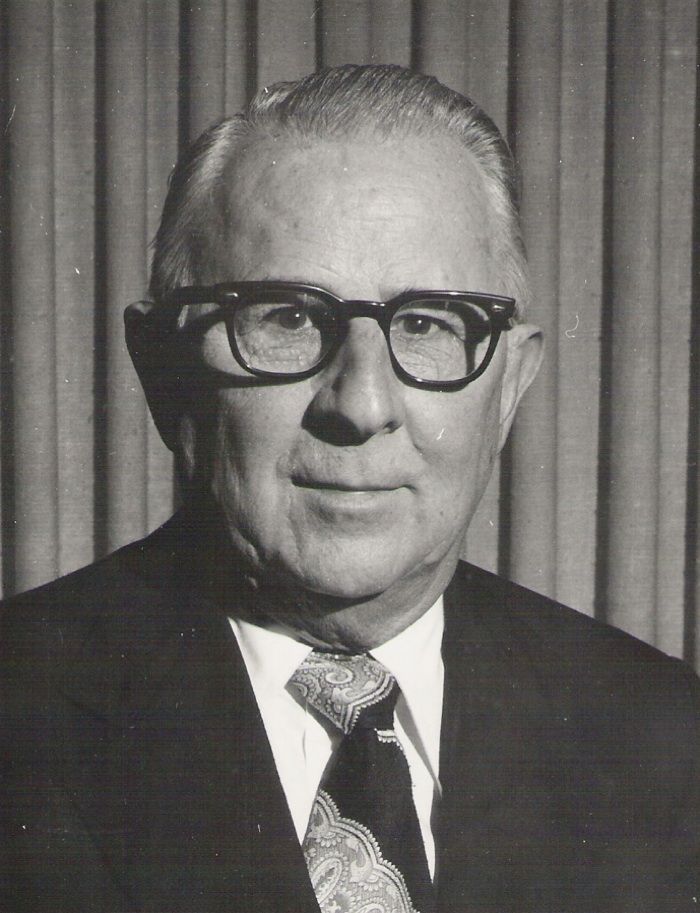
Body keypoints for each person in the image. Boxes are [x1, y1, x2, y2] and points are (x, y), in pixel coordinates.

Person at [1, 64, 697, 913]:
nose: (361, 404)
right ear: (161, 369)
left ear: (510, 384)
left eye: (430, 324)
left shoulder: (665, 739)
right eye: (286, 317)